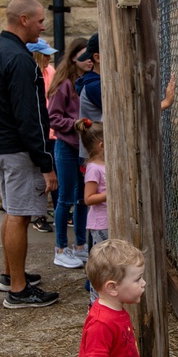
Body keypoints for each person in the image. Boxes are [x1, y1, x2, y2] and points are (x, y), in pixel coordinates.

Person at [0, 0, 61, 309]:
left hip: (0, 145)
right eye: (40, 21)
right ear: (24, 20)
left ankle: (10, 274)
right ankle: (18, 289)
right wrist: (45, 161)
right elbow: (30, 116)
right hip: (17, 148)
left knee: (14, 211)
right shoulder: (18, 58)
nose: (43, 27)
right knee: (20, 214)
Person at [49, 37, 92, 267]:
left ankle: (80, 246)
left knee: (83, 199)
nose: (89, 60)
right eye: (84, 55)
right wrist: (75, 124)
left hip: (85, 148)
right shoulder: (64, 83)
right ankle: (60, 248)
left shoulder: (88, 81)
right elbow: (53, 118)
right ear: (74, 57)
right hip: (66, 146)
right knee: (65, 198)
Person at [29, 39, 59, 232]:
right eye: (45, 54)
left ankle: (59, 212)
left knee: (56, 173)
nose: (49, 57)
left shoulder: (51, 71)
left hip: (53, 131)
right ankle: (38, 215)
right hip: (38, 131)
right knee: (37, 175)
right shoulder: (29, 72)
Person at [77, 118, 107, 303]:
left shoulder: (105, 165)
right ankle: (95, 303)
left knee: (109, 264)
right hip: (100, 224)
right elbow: (88, 198)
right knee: (102, 265)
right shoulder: (94, 168)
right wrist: (110, 194)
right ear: (102, 145)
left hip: (108, 222)